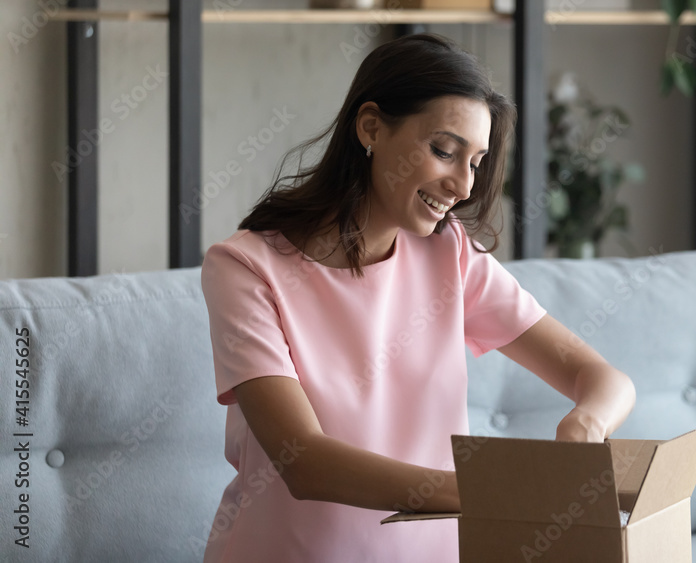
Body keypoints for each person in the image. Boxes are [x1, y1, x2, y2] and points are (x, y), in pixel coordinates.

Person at [199, 32, 636, 563]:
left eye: (475, 162)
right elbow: (304, 462)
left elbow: (605, 379)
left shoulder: (450, 254)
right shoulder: (246, 268)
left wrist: (586, 423)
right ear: (371, 128)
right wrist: (509, 492)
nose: (464, 186)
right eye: (444, 151)